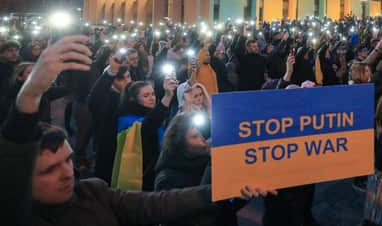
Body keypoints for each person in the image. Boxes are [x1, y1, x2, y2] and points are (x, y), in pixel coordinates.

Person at [0, 35, 274, 226]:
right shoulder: (17, 214)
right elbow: (98, 104)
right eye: (50, 169)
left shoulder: (93, 194)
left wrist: (224, 190)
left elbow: (159, 204)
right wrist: (32, 92)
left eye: (69, 161)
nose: (68, 173)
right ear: (20, 178)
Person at [113, 78, 175, 191]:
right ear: (133, 99)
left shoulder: (150, 113)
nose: (152, 98)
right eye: (146, 96)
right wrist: (167, 97)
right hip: (139, 173)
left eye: (153, 94)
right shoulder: (127, 119)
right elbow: (148, 126)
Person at [89, 63, 131, 184]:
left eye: (128, 76)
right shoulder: (107, 98)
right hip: (107, 145)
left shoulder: (129, 95)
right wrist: (109, 73)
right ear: (112, 81)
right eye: (121, 79)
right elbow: (93, 99)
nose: (127, 81)